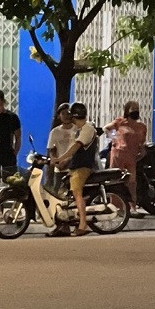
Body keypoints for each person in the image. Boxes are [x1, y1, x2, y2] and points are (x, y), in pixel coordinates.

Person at [53, 101, 99, 237]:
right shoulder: (79, 130)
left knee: (76, 192)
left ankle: (83, 225)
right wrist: (64, 161)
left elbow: (76, 147)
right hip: (75, 166)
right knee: (65, 193)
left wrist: (60, 158)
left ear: (74, 116)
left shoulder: (87, 129)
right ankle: (65, 224)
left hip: (84, 167)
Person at [104, 100, 148, 217]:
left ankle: (132, 207)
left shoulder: (141, 127)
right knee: (116, 180)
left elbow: (142, 142)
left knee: (132, 182)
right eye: (133, 108)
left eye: (137, 108)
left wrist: (142, 151)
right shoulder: (120, 122)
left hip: (132, 156)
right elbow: (106, 128)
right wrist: (115, 139)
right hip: (118, 154)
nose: (135, 110)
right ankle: (115, 206)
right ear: (127, 110)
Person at [47, 103, 77, 193]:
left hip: (74, 168)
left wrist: (68, 160)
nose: (66, 116)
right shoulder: (55, 132)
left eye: (68, 113)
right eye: (63, 113)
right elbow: (51, 149)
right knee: (57, 192)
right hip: (60, 169)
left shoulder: (77, 130)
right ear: (59, 116)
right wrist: (55, 161)